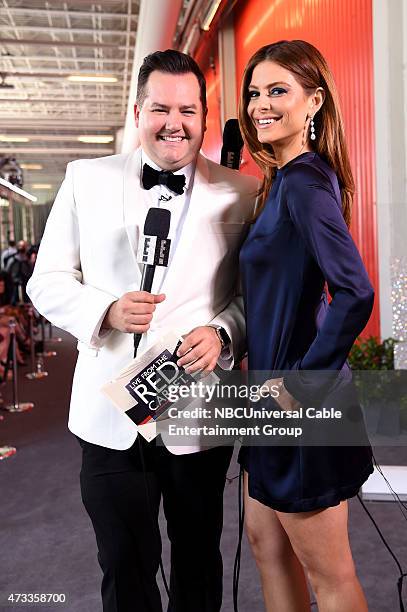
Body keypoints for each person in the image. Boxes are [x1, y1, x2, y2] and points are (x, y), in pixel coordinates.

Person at [27, 50, 256, 612]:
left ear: (204, 115)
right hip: (107, 414)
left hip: (196, 407)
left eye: (187, 109)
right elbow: (46, 282)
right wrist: (104, 310)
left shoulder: (244, 192)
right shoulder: (86, 179)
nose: (173, 123)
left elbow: (254, 298)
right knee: (124, 562)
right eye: (159, 108)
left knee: (199, 559)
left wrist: (224, 334)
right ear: (137, 111)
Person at [238, 40, 374, 611]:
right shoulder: (284, 179)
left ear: (314, 101)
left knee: (330, 575)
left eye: (277, 91)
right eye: (253, 93)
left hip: (297, 399)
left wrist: (303, 381)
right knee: (266, 544)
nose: (259, 105)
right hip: (267, 395)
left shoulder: (303, 183)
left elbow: (355, 291)